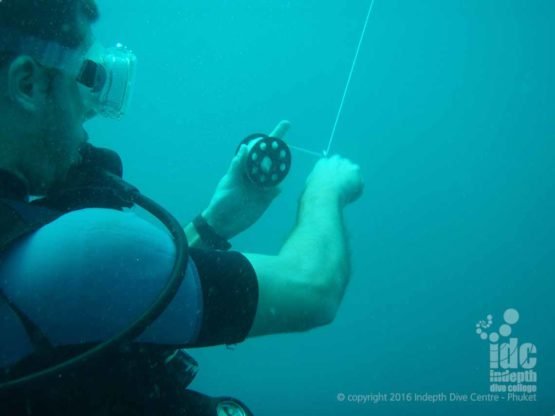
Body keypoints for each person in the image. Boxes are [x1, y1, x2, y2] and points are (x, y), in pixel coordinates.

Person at [0, 1, 364, 415]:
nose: (92, 106)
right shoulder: (81, 252)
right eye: (85, 75)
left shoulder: (34, 260)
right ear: (26, 84)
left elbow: (103, 299)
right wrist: (325, 189)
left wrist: (213, 226)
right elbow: (314, 289)